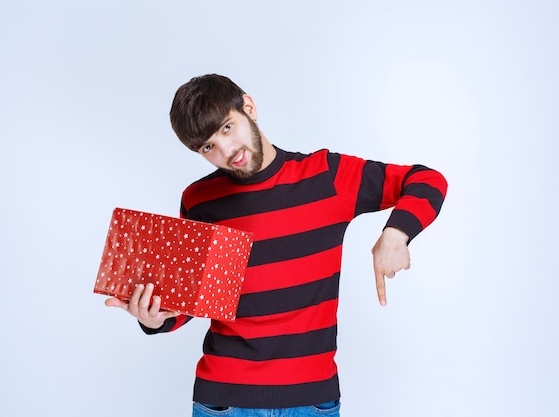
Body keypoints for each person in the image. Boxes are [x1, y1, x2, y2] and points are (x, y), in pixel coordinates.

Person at [105, 74, 448, 416]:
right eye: (208, 147)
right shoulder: (199, 200)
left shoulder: (325, 176)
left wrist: (396, 232)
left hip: (312, 402)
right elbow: (194, 301)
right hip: (224, 403)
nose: (226, 152)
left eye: (227, 128)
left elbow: (426, 180)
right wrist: (154, 320)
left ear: (249, 108)